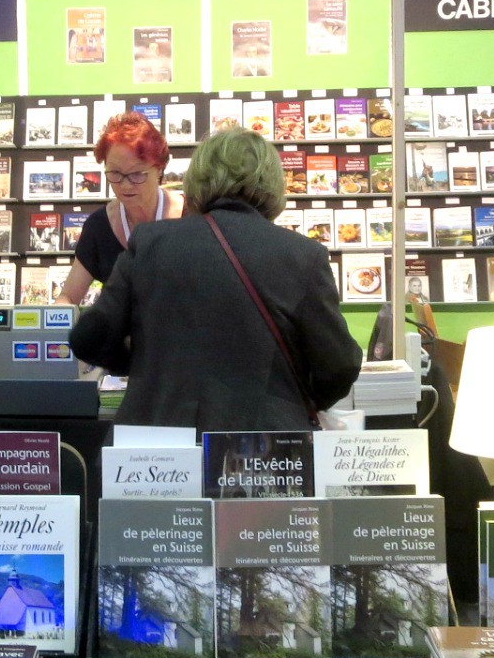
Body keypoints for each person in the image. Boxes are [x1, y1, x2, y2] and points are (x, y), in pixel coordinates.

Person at [70, 129, 359, 431]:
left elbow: (90, 337)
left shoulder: (149, 243)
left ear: (196, 180)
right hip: (263, 446)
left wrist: (141, 365)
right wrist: (299, 400)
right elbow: (340, 364)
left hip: (158, 442)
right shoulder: (304, 255)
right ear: (274, 184)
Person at [57, 112, 184, 305]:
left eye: (136, 174)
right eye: (115, 173)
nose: (125, 185)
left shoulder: (193, 216)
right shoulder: (99, 226)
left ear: (159, 168)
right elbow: (67, 297)